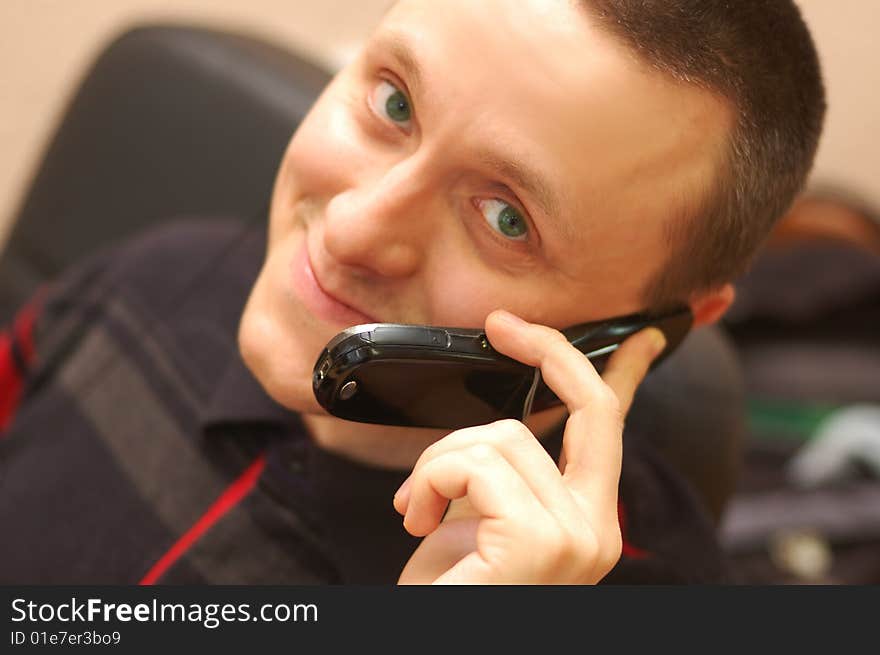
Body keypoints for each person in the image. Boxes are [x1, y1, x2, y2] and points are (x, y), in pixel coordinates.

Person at [0, 0, 824, 584]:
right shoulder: (158, 274)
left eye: (507, 218)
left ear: (660, 326)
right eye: (394, 102)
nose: (353, 230)